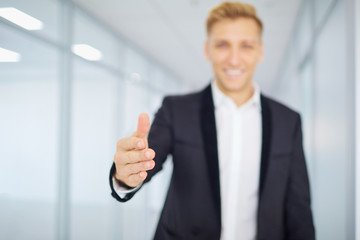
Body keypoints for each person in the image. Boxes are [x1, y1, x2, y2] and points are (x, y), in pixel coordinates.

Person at [109, 1, 315, 239]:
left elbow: (299, 209)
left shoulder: (288, 121)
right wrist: (124, 175)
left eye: (246, 46)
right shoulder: (176, 110)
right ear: (208, 50)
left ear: (260, 51)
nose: (234, 59)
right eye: (223, 45)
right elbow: (145, 163)